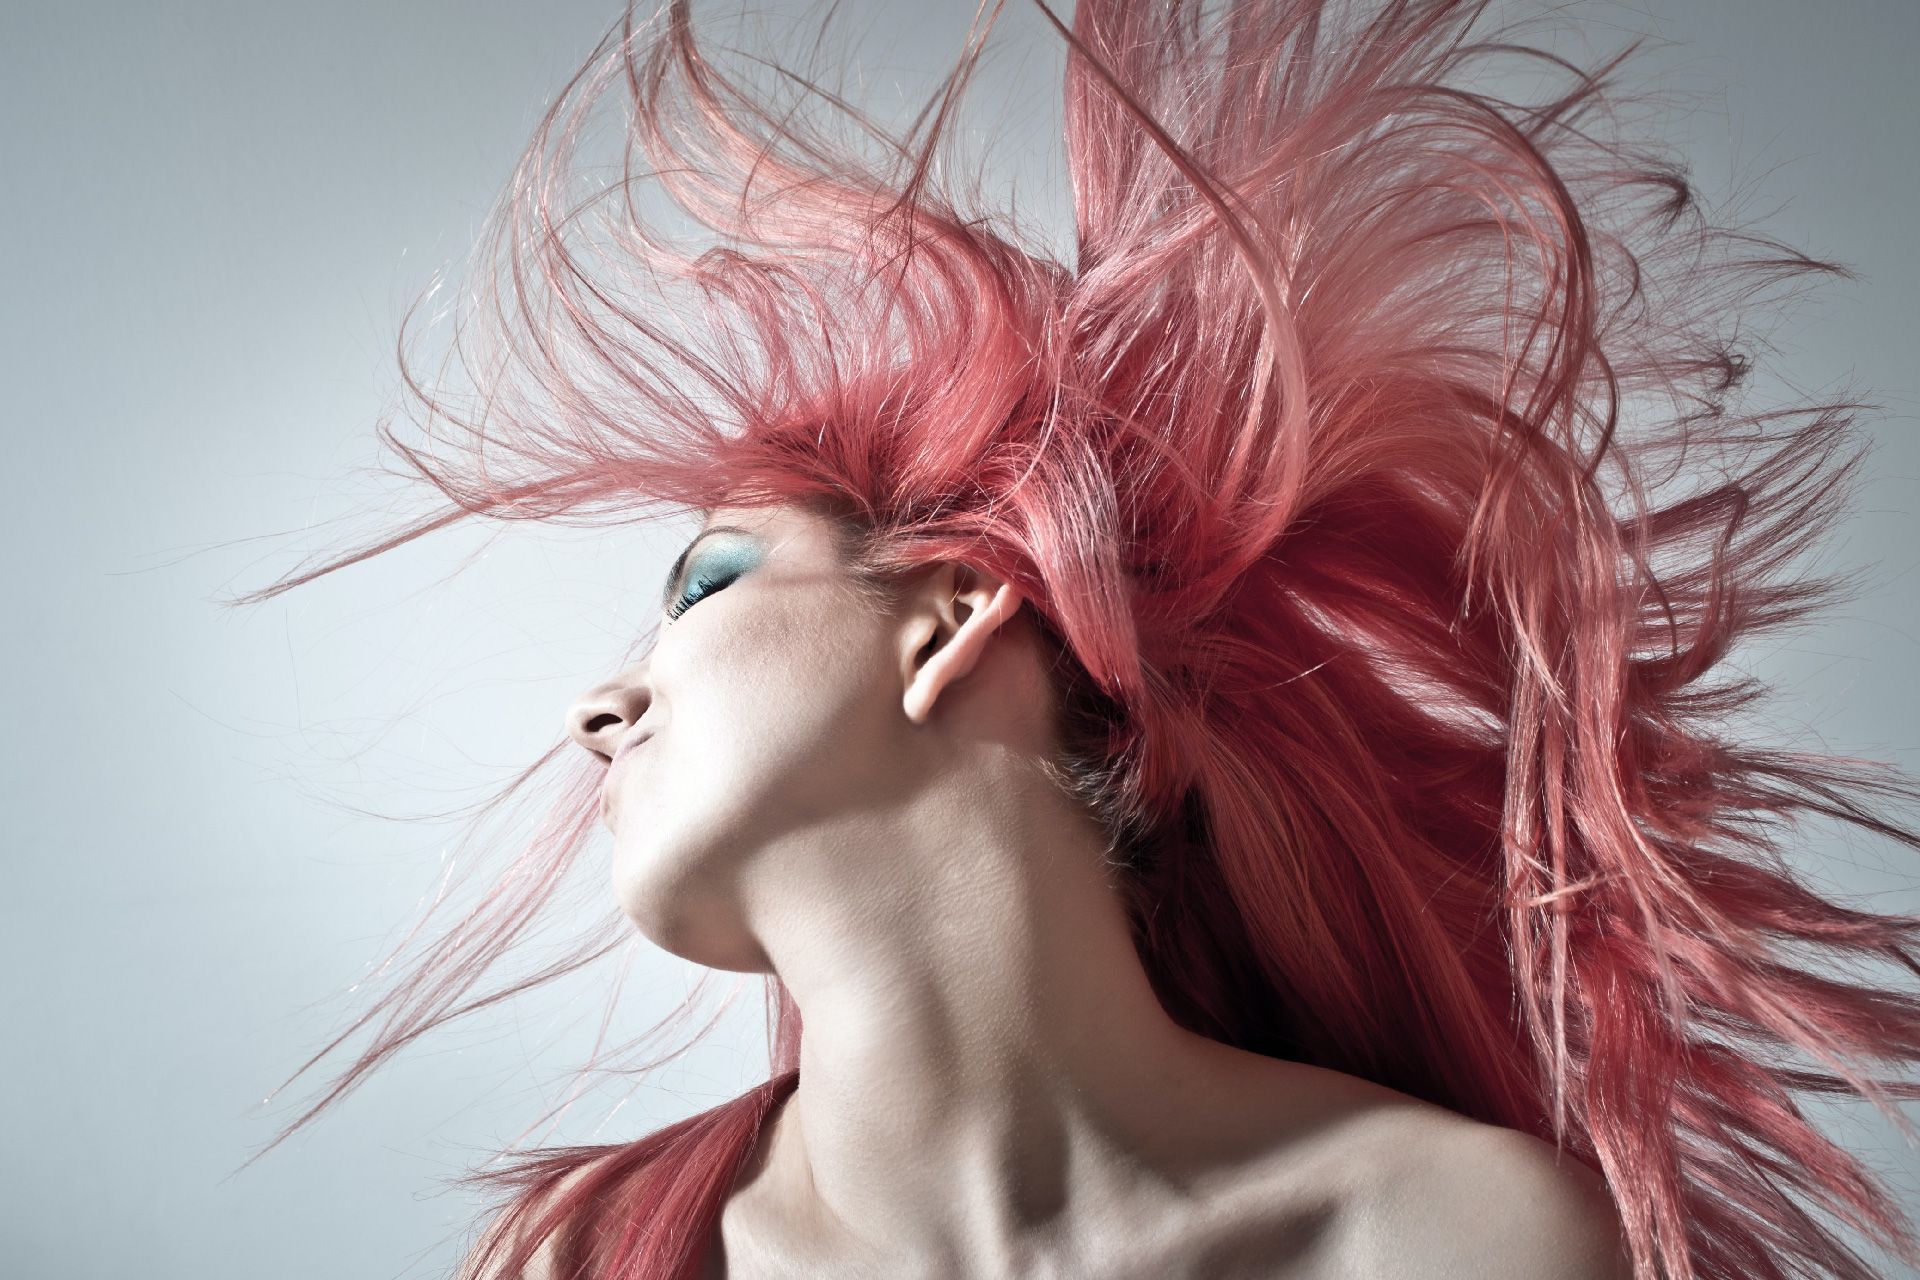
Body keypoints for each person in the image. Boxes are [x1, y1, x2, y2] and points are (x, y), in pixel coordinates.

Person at [236, 1, 1920, 1277]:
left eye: (705, 586)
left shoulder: (1450, 1236)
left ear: (954, 617)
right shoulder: (590, 1249)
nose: (597, 707)